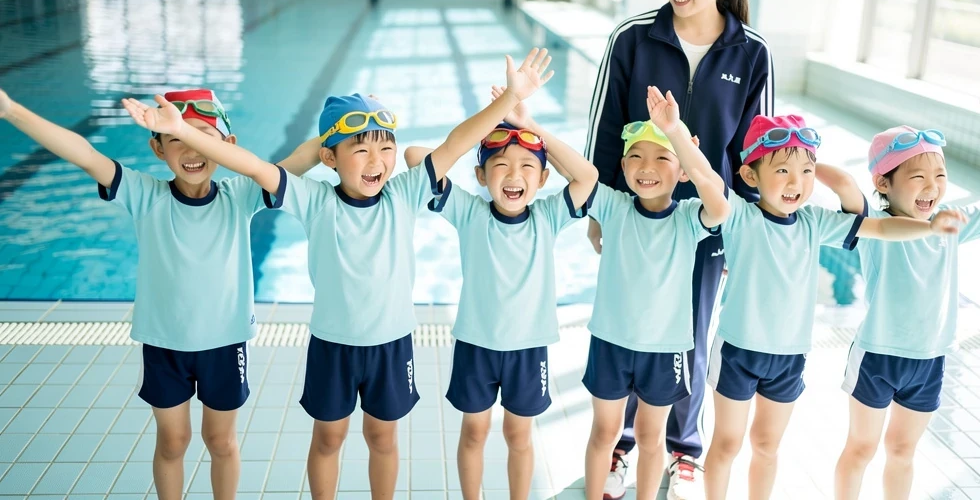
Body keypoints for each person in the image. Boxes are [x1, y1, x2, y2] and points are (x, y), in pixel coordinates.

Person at [122, 48, 555, 500]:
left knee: (383, 439)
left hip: (392, 343)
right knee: (328, 439)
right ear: (329, 158)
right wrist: (179, 130)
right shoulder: (314, 200)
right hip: (332, 345)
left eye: (385, 148)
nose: (376, 161)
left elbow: (456, 144)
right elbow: (250, 166)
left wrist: (509, 100)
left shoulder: (404, 193)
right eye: (360, 149)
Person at [1, 87, 319, 500]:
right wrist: (10, 109)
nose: (190, 150)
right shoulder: (145, 195)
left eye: (201, 137)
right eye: (176, 139)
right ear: (158, 149)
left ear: (227, 146)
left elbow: (298, 160)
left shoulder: (240, 196)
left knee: (220, 442)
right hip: (164, 345)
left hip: (225, 344)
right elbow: (81, 153)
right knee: (173, 442)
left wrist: (351, 121)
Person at [583, 0, 773, 499]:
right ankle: (620, 445)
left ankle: (681, 449)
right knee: (628, 324)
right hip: (638, 215)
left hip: (708, 223)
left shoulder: (751, 51)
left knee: (689, 333)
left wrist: (747, 229)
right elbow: (605, 125)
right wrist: (600, 210)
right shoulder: (633, 38)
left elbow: (758, 144)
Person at [700, 114, 965, 500]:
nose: (796, 182)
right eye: (783, 170)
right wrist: (677, 135)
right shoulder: (740, 214)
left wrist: (929, 229)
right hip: (738, 349)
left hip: (790, 355)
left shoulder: (815, 222)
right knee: (727, 444)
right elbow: (707, 180)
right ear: (752, 175)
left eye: (806, 171)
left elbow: (882, 229)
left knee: (767, 446)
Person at [404, 86, 598, 500]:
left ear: (544, 178)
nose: (514, 176)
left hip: (528, 350)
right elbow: (415, 157)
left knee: (519, 434)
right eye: (501, 165)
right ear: (480, 175)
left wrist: (530, 126)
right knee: (474, 431)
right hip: (476, 345)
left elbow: (587, 177)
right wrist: (486, 124)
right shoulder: (469, 213)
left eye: (528, 166)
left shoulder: (547, 217)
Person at [823, 127, 980, 500]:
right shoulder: (871, 225)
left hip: (930, 358)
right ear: (883, 182)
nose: (932, 187)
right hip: (877, 357)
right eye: (918, 178)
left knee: (902, 451)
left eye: (940, 177)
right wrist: (799, 163)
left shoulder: (952, 222)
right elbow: (846, 185)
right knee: (862, 448)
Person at [583, 86, 730, 500]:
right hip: (610, 343)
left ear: (682, 168)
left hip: (665, 349)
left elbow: (718, 202)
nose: (646, 167)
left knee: (652, 438)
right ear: (624, 165)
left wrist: (677, 134)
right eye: (636, 157)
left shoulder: (687, 219)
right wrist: (529, 124)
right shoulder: (612, 206)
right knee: (604, 433)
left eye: (662, 158)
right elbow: (579, 173)